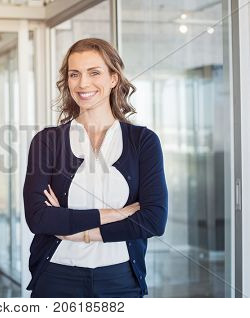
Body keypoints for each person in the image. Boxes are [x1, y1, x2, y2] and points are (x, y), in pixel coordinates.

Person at [23, 38, 168, 298]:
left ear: (114, 78)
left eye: (94, 72)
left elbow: (153, 221)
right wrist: (118, 213)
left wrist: (79, 232)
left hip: (121, 280)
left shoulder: (143, 141)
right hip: (56, 277)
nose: (83, 84)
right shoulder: (47, 141)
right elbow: (38, 218)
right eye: (74, 74)